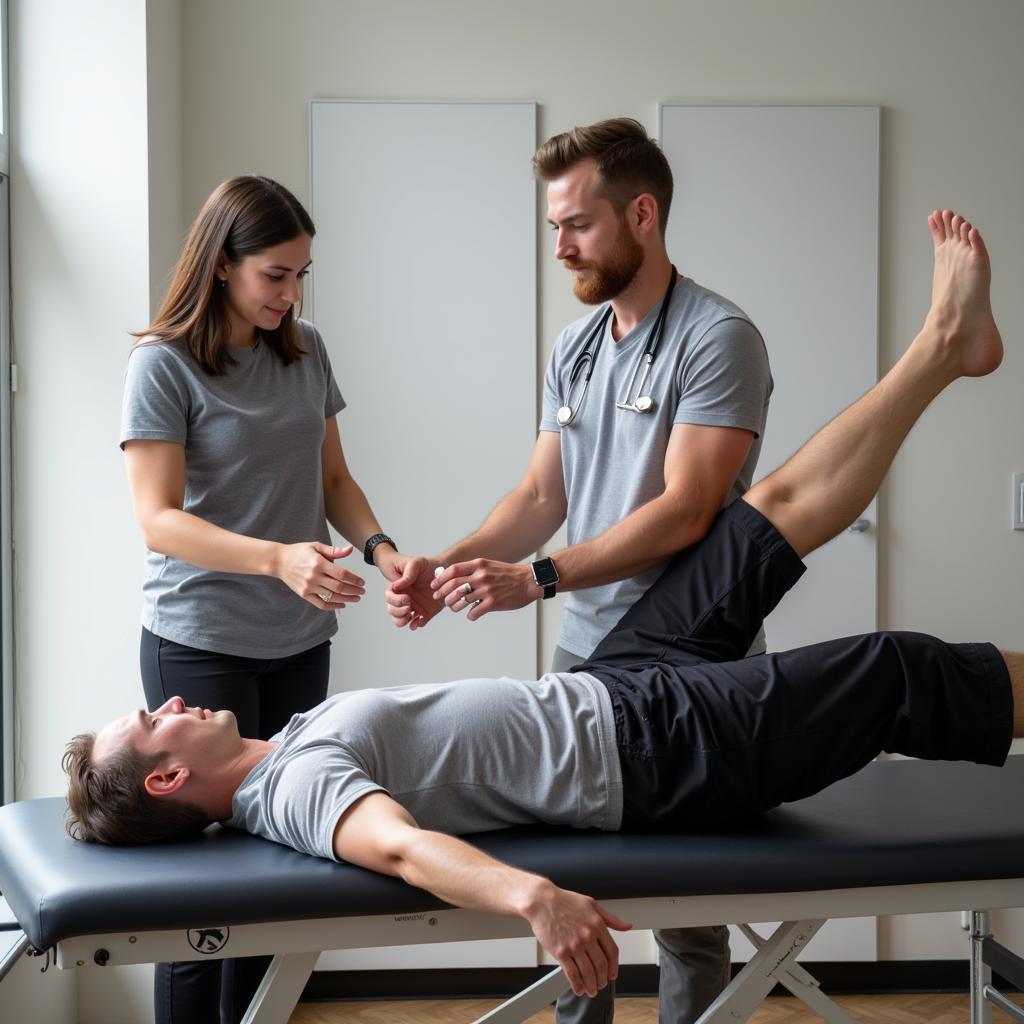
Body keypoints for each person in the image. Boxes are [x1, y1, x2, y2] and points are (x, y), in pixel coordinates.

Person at [81, 212, 1009, 1009]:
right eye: (153, 722)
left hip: (612, 684)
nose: (167, 704)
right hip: (644, 750)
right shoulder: (288, 791)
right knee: (897, 669)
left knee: (755, 522)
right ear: (167, 781)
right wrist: (535, 898)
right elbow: (404, 851)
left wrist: (416, 560)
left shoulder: (282, 747)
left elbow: (348, 481)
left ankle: (941, 347)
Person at [386, 117, 773, 1024]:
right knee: (563, 882)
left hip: (694, 658)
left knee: (687, 909)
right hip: (585, 659)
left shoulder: (719, 338)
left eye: (578, 225)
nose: (558, 245)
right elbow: (536, 496)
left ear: (643, 214)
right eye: (552, 225)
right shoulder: (577, 345)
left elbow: (687, 507)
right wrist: (446, 568)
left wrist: (539, 579)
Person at [120, 175, 421, 1024]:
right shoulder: (163, 363)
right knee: (206, 885)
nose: (291, 295)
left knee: (277, 857)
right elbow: (157, 519)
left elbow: (333, 478)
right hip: (198, 638)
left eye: (301, 276)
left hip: (298, 638)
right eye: (274, 276)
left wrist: (384, 552)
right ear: (222, 266)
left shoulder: (305, 348)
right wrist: (277, 559)